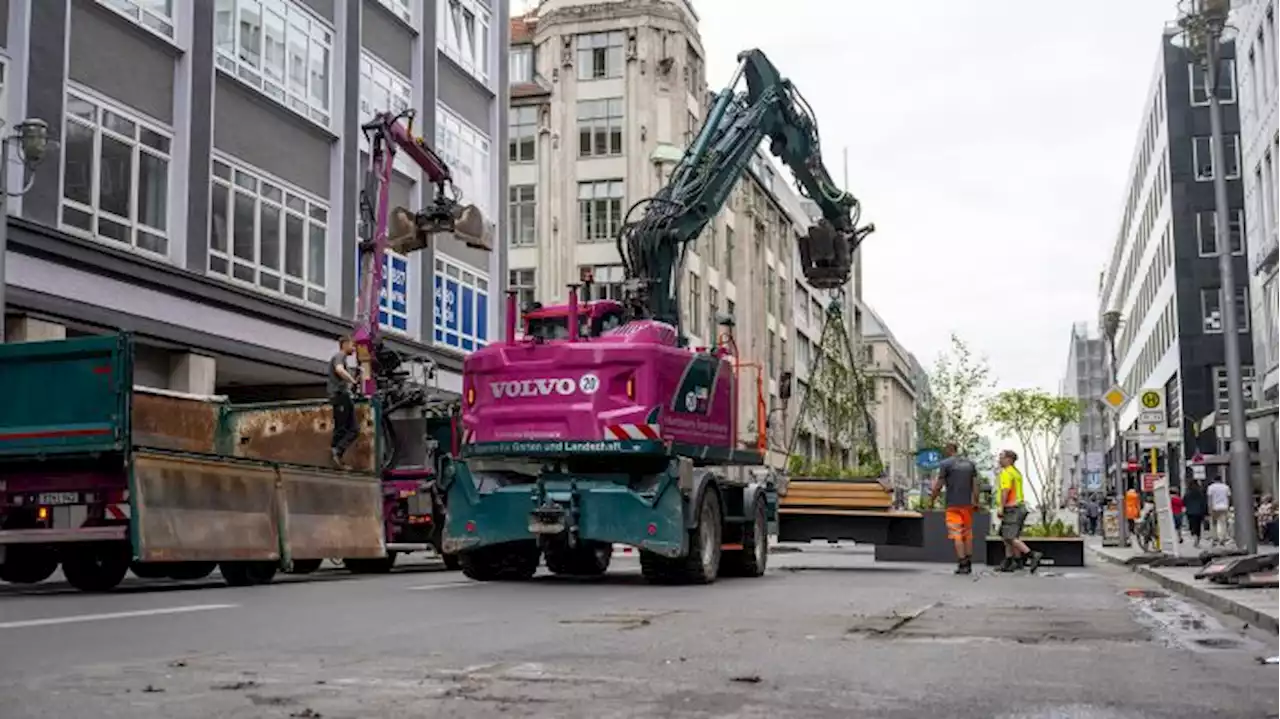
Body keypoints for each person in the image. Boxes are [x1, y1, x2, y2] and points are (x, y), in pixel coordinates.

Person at [930, 442, 980, 575]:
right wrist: (976, 501)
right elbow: (975, 484)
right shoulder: (970, 464)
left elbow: (939, 484)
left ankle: (962, 563)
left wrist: (932, 499)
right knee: (967, 534)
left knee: (957, 535)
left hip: (953, 505)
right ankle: (969, 563)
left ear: (948, 449)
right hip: (967, 505)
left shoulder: (945, 464)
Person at [997, 450, 1042, 572]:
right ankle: (1014, 561)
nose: (999, 460)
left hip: (1012, 508)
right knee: (1008, 536)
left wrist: (1001, 506)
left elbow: (1005, 491)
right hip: (1020, 507)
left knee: (1010, 537)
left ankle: (1031, 554)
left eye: (1002, 457)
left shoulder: (1006, 473)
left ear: (1009, 460)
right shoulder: (1016, 472)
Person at [329, 336, 360, 468]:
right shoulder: (340, 356)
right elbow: (339, 370)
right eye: (352, 345)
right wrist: (352, 380)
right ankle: (336, 451)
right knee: (346, 428)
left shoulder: (342, 358)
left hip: (342, 395)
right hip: (339, 395)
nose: (354, 349)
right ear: (344, 344)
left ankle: (337, 455)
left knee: (349, 429)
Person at [1207, 475, 1232, 546]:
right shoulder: (1226, 487)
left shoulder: (1211, 487)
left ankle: (1214, 538)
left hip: (1214, 507)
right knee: (1223, 523)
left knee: (1214, 524)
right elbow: (1228, 497)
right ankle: (1222, 538)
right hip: (1224, 507)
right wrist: (1228, 506)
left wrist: (1209, 508)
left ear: (1214, 480)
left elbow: (1210, 499)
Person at [1183, 479, 1208, 549]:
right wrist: (1205, 513)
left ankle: (1194, 536)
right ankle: (1197, 540)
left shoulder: (1187, 493)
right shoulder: (1200, 493)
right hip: (1199, 512)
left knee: (1192, 526)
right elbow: (1203, 503)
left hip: (1190, 512)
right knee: (1198, 527)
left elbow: (1184, 502)